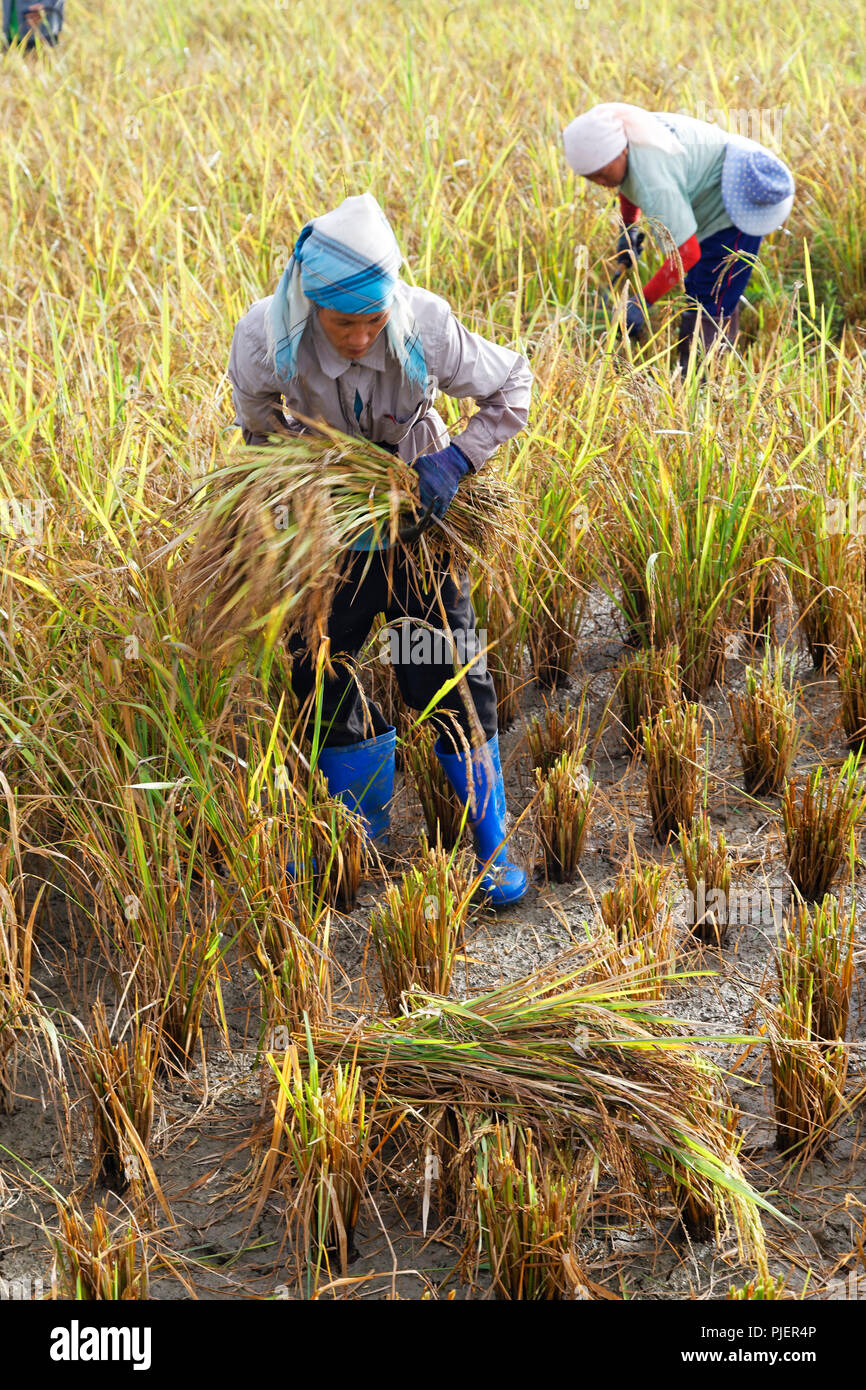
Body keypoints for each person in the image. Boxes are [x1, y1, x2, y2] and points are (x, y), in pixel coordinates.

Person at [227, 193, 532, 906]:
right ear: (310, 305)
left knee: (443, 666)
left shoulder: (424, 321)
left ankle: (490, 849)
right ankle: (356, 840)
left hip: (415, 525)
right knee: (322, 669)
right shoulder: (263, 340)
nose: (362, 336)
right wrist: (295, 501)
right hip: (328, 528)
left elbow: (513, 387)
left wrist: (455, 461)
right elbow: (259, 437)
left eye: (374, 320)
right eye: (343, 323)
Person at [562, 103, 795, 371]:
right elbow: (626, 184)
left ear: (622, 150)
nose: (601, 182)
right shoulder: (631, 138)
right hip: (713, 185)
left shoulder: (654, 178)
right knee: (697, 287)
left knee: (711, 299)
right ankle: (698, 368)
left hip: (739, 201)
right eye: (591, 178)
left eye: (603, 173)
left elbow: (687, 253)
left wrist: (642, 301)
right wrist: (629, 229)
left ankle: (702, 380)